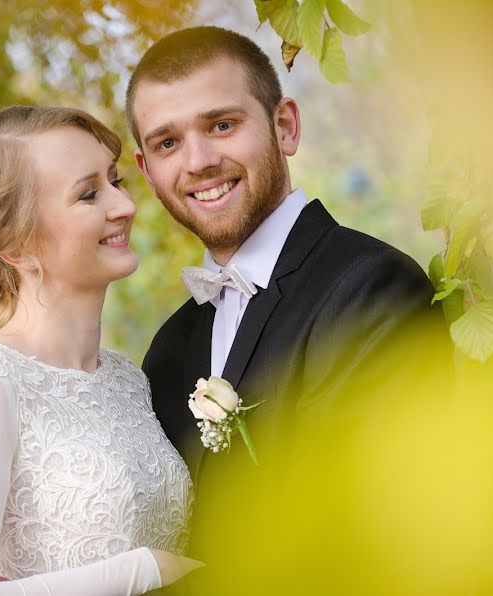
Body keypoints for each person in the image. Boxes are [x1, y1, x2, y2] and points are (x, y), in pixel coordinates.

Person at [126, 26, 450, 588]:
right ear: (147, 171)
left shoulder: (374, 291)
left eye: (222, 125)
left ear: (285, 126)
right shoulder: (170, 347)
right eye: (168, 143)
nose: (199, 160)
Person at [0, 105, 201, 596]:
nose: (124, 206)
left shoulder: (128, 380)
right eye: (89, 194)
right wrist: (144, 570)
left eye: (115, 181)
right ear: (14, 244)